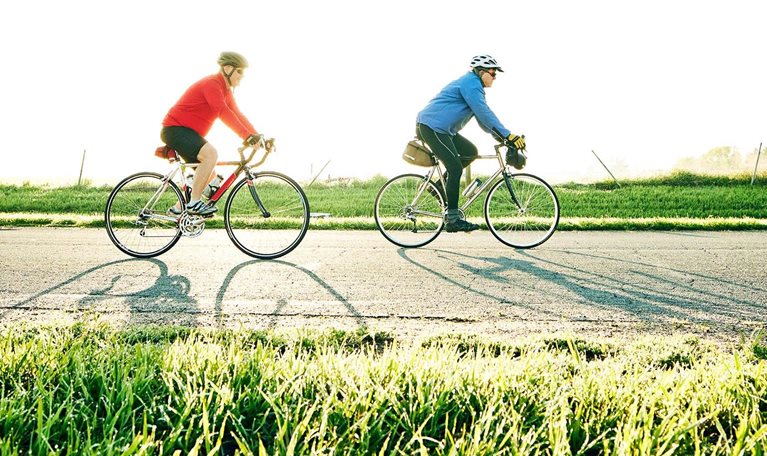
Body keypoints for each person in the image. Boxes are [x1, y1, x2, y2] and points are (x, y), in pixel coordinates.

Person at [416, 54, 526, 232]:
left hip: (443, 130)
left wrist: (503, 138)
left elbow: (483, 121)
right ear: (481, 71)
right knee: (455, 168)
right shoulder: (471, 83)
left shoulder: (474, 86)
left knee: (470, 151)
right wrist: (508, 134)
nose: (495, 77)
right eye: (493, 73)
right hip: (432, 127)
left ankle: (438, 187)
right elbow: (483, 112)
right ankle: (452, 220)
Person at [161, 51, 261, 216]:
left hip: (187, 133)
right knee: (211, 154)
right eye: (240, 71)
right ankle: (193, 204)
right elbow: (222, 112)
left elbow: (238, 114)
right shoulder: (212, 84)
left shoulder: (225, 91)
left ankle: (177, 211)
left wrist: (256, 136)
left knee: (208, 174)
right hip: (175, 129)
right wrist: (246, 136)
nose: (242, 76)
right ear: (227, 68)